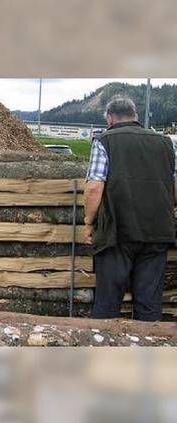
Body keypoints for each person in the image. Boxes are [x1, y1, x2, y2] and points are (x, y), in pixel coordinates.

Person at [84, 95, 177, 321]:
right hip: (157, 232)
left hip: (117, 233)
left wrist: (88, 222)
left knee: (108, 303)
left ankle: (104, 352)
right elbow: (175, 186)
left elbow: (94, 187)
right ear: (135, 116)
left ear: (110, 118)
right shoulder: (166, 143)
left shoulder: (104, 141)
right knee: (148, 303)